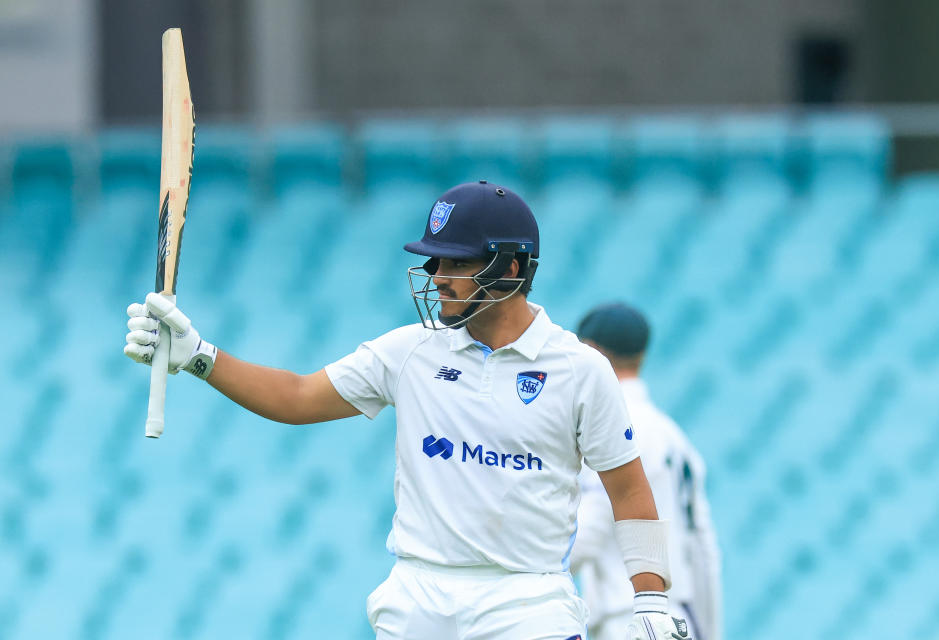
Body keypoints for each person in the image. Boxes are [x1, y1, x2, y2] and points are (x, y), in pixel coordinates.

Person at [124, 181, 690, 640]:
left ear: (512, 268)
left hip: (527, 602)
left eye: (457, 262)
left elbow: (630, 490)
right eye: (434, 262)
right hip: (418, 598)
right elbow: (296, 398)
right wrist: (198, 357)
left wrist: (651, 597)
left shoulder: (579, 369)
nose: (437, 277)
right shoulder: (410, 351)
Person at [572, 303, 722, 640]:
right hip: (677, 619)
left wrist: (518, 579)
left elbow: (589, 530)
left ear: (590, 351)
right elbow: (704, 550)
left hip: (633, 617)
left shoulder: (613, 424)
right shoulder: (672, 435)